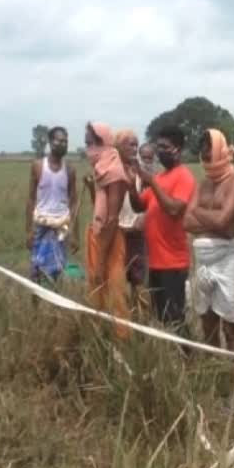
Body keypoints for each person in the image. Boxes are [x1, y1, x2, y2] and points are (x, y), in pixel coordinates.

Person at [184, 129, 234, 393]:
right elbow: (187, 222)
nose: (206, 156)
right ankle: (214, 382)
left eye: (210, 150)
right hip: (203, 261)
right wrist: (211, 217)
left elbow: (225, 223)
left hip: (226, 261)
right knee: (207, 324)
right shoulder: (204, 183)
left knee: (230, 327)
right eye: (203, 151)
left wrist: (200, 212)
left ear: (221, 150)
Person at [128, 125, 196, 332]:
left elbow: (174, 209)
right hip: (155, 262)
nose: (160, 151)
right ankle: (175, 360)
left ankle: (189, 359)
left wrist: (151, 183)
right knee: (161, 316)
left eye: (165, 147)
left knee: (175, 317)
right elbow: (139, 205)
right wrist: (131, 183)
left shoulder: (184, 176)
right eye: (158, 147)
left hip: (173, 263)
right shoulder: (160, 177)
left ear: (178, 149)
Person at [84, 122, 129, 339]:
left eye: (91, 143)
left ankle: (121, 340)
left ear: (104, 143)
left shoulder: (114, 172)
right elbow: (100, 209)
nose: (88, 149)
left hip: (108, 240)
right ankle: (98, 337)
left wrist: (101, 258)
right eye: (86, 144)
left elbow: (112, 219)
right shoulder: (102, 169)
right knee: (96, 291)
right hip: (98, 235)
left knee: (115, 294)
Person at [26, 126, 79, 290]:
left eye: (66, 141)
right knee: (36, 271)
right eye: (59, 140)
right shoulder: (38, 166)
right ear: (50, 142)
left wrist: (75, 234)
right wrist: (28, 230)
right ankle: (35, 312)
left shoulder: (70, 169)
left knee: (57, 271)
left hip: (60, 228)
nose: (63, 144)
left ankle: (54, 310)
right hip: (40, 226)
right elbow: (31, 199)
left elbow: (74, 202)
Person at [114, 130, 147, 309]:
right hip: (116, 230)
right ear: (117, 147)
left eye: (136, 144)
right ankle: (120, 316)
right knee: (117, 277)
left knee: (137, 277)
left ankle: (137, 314)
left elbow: (149, 198)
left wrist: (144, 218)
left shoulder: (139, 170)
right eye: (130, 144)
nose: (134, 149)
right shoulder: (111, 170)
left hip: (136, 230)